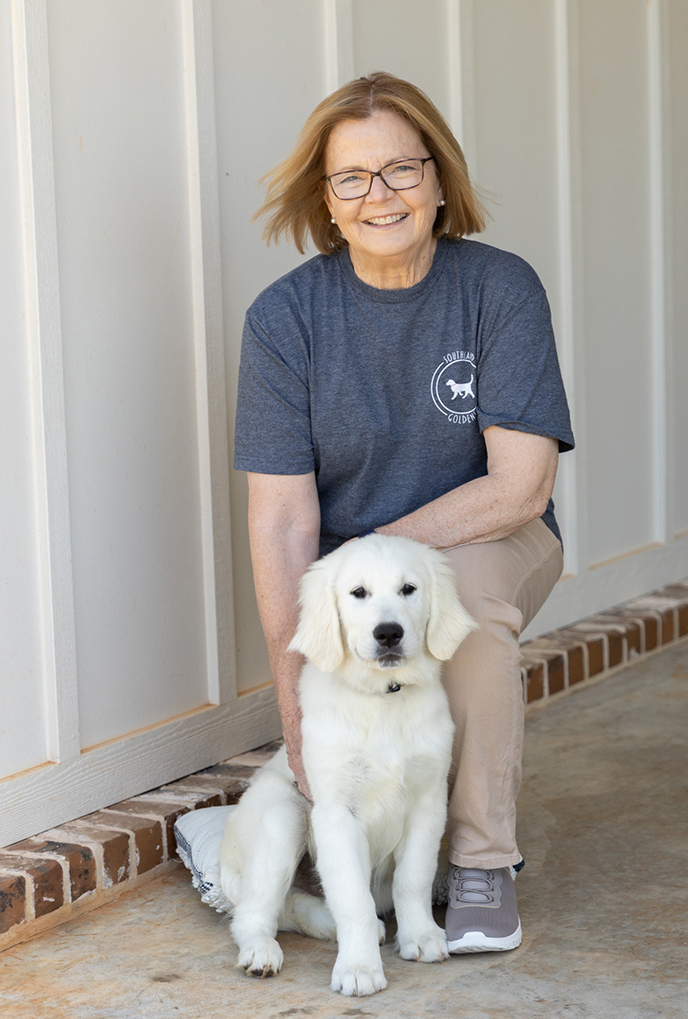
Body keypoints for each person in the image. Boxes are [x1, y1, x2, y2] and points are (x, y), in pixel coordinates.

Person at [234, 71, 574, 955]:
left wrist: (375, 557)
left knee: (465, 617)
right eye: (353, 178)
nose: (379, 195)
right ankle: (335, 855)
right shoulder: (285, 321)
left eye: (401, 170)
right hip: (352, 568)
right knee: (369, 646)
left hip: (493, 533)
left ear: (439, 178)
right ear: (327, 200)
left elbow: (522, 485)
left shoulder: (499, 289)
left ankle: (482, 862)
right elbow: (280, 526)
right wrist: (296, 707)